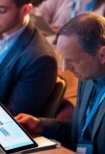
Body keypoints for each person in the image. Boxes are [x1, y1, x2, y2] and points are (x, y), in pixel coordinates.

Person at [16, 13, 105, 153]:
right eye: (63, 59)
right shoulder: (87, 76)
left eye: (73, 61)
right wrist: (40, 125)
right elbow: (80, 131)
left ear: (102, 55)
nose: (65, 68)